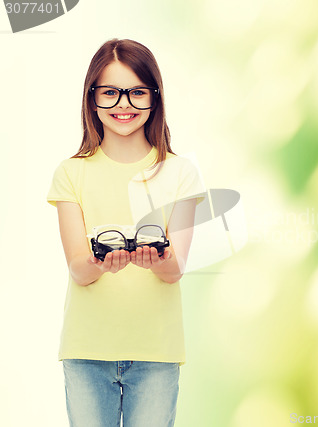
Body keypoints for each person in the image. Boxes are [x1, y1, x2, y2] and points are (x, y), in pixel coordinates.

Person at [47, 38, 205, 427]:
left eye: (137, 92)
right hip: (87, 351)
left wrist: (158, 259)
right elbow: (79, 270)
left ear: (154, 97)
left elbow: (175, 270)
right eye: (111, 93)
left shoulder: (181, 172)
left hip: (157, 353)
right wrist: (102, 265)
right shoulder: (71, 173)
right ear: (92, 98)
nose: (124, 105)